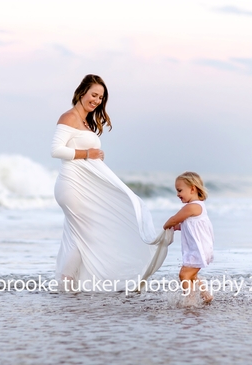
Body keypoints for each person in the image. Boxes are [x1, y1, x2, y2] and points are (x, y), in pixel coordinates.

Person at [50, 74, 172, 290]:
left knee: (76, 235)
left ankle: (68, 285)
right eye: (93, 95)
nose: (96, 100)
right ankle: (65, 283)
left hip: (82, 187)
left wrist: (92, 156)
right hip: (72, 186)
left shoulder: (86, 122)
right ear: (82, 92)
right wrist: (88, 153)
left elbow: (86, 154)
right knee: (83, 234)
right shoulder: (68, 117)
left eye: (100, 98)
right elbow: (56, 150)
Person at [163, 171, 214, 303]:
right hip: (200, 248)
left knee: (184, 274)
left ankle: (190, 301)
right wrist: (177, 227)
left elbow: (174, 219)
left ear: (192, 188)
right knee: (192, 275)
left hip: (198, 249)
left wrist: (166, 226)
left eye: (180, 190)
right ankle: (206, 295)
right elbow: (190, 226)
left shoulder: (192, 206)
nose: (177, 194)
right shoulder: (198, 207)